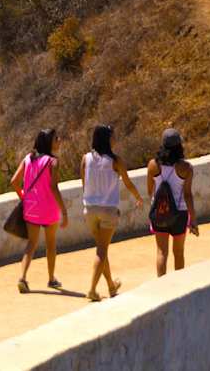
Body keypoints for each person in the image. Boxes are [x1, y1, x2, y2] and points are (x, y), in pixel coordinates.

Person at [80, 124, 145, 301]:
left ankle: (110, 285)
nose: (115, 139)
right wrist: (138, 197)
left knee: (102, 249)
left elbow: (84, 184)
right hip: (108, 210)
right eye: (112, 136)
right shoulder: (116, 161)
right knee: (101, 251)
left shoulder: (86, 159)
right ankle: (92, 290)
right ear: (107, 139)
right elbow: (128, 182)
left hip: (90, 209)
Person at [10, 128, 68, 293]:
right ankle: (51, 279)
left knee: (31, 244)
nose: (59, 140)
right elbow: (53, 187)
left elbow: (14, 181)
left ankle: (22, 277)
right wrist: (64, 211)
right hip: (49, 209)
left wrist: (24, 197)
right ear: (49, 142)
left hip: (31, 208)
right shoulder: (53, 162)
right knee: (51, 244)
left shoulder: (28, 158)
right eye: (56, 138)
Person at [147, 128, 199, 276]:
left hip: (159, 213)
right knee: (179, 253)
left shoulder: (152, 165)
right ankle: (178, 288)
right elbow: (188, 195)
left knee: (161, 252)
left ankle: (161, 286)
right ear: (179, 146)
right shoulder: (186, 168)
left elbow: (150, 190)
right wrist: (193, 219)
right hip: (180, 214)